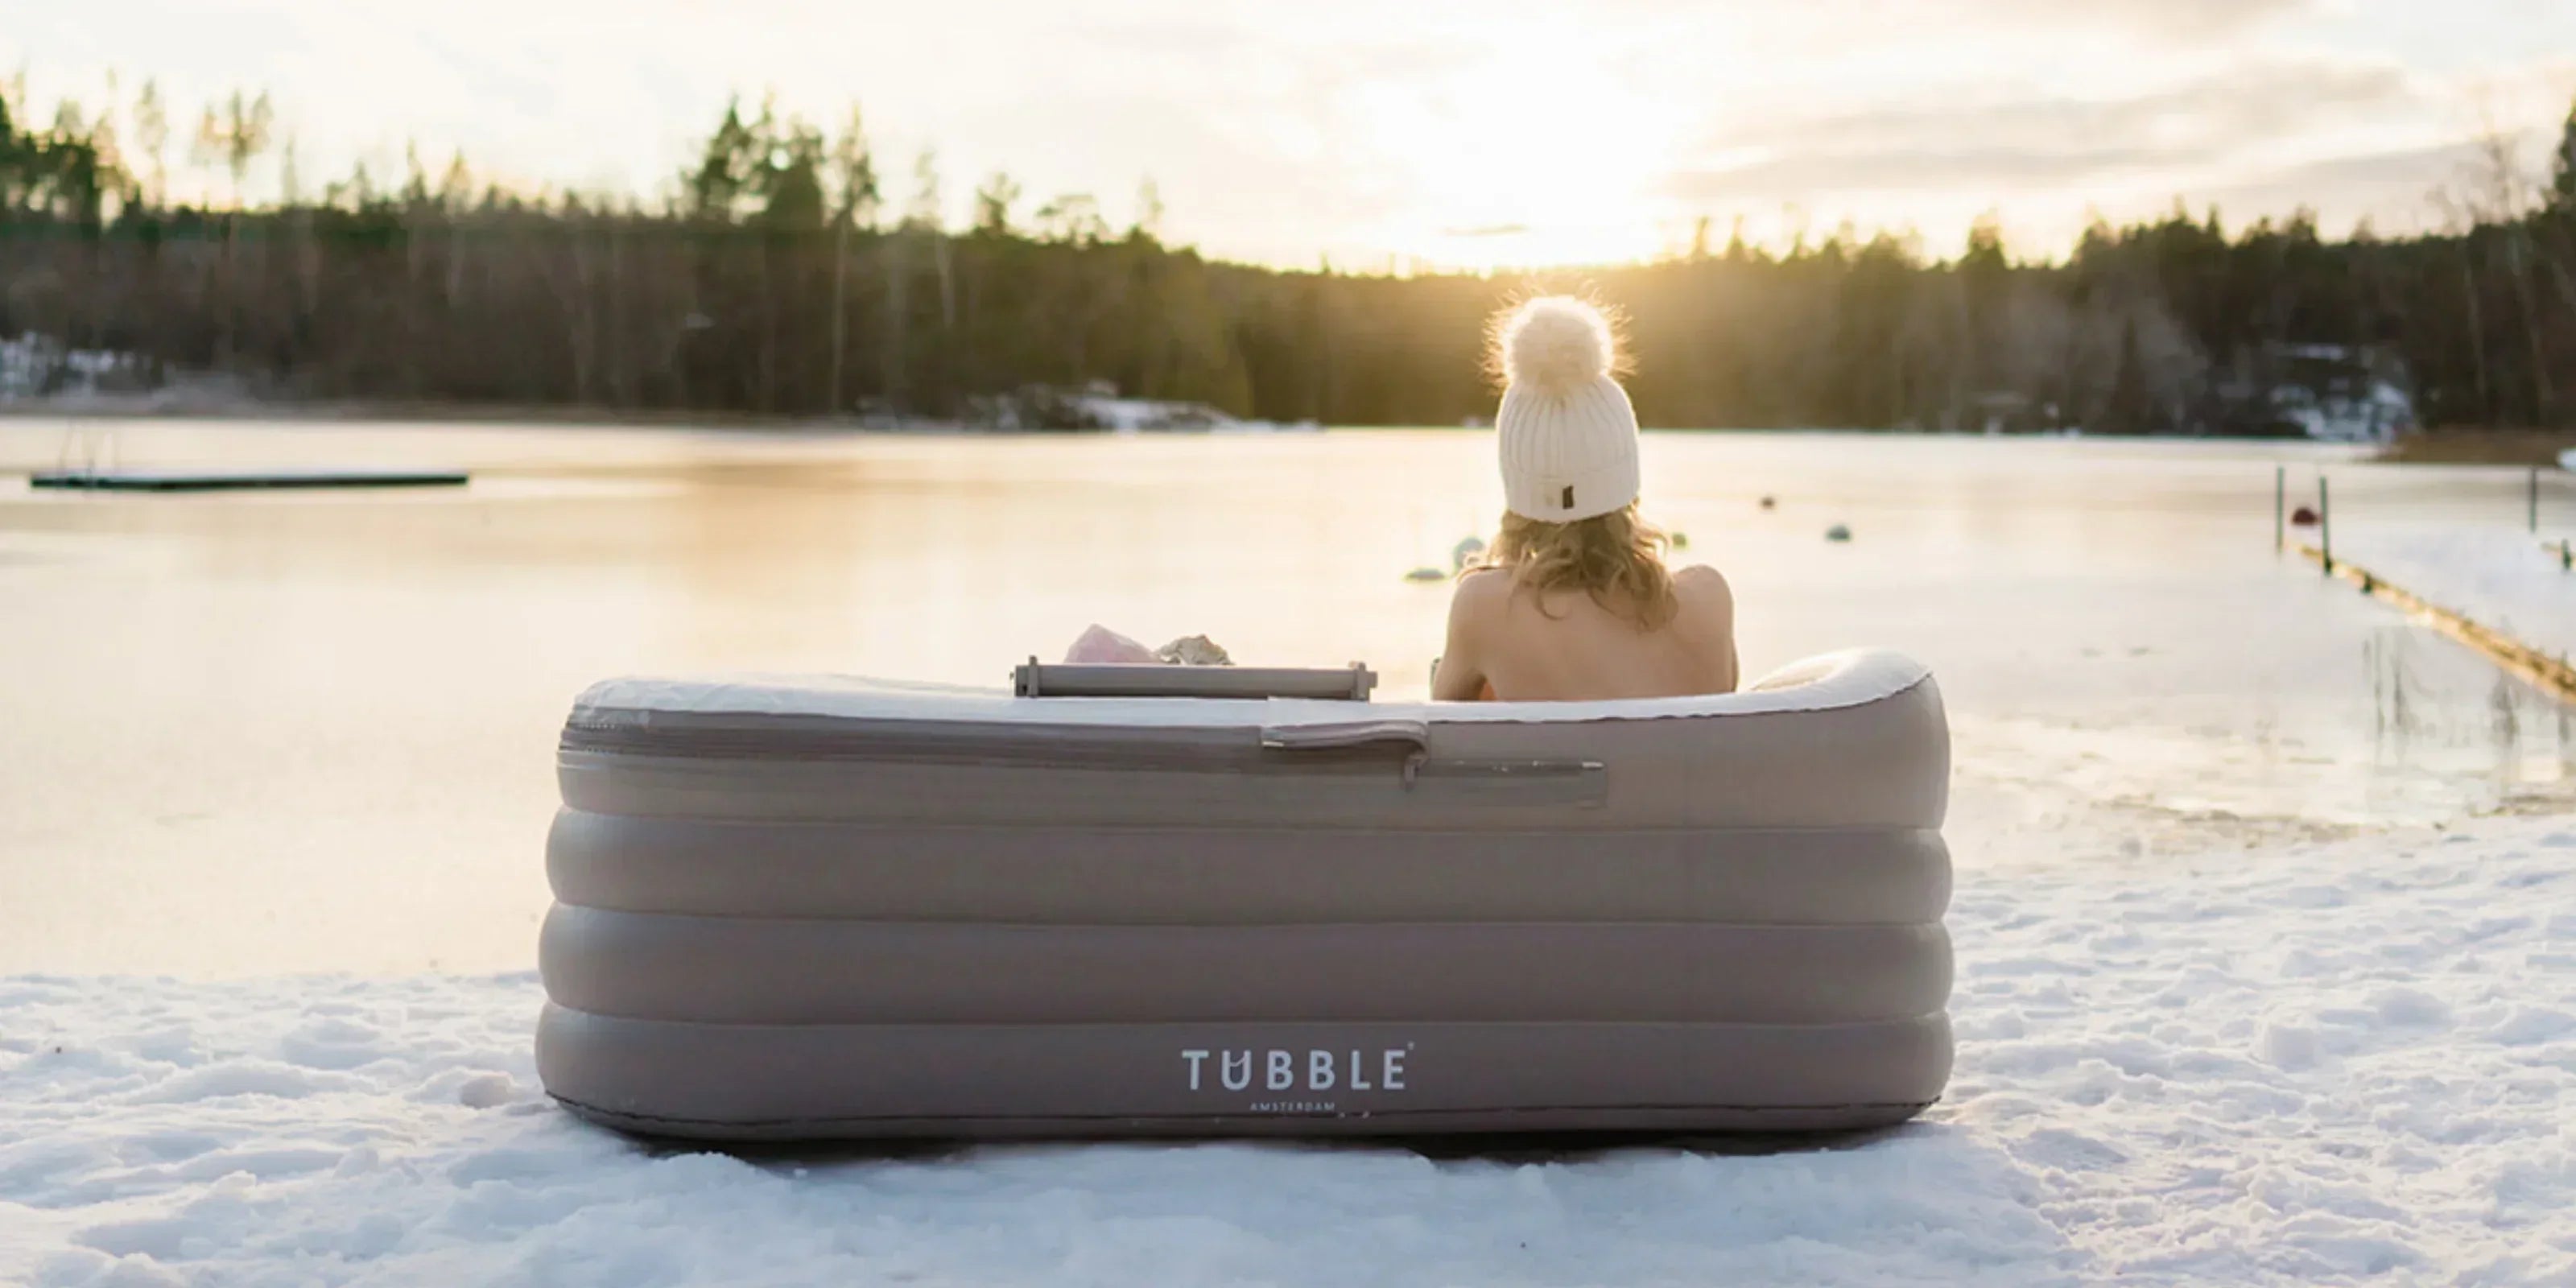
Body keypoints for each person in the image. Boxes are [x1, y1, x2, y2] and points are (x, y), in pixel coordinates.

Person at [1430, 295, 1738, 702]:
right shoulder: (1708, 600)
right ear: (1626, 472)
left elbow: (1444, 724)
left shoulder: (1485, 608)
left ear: (1515, 484)